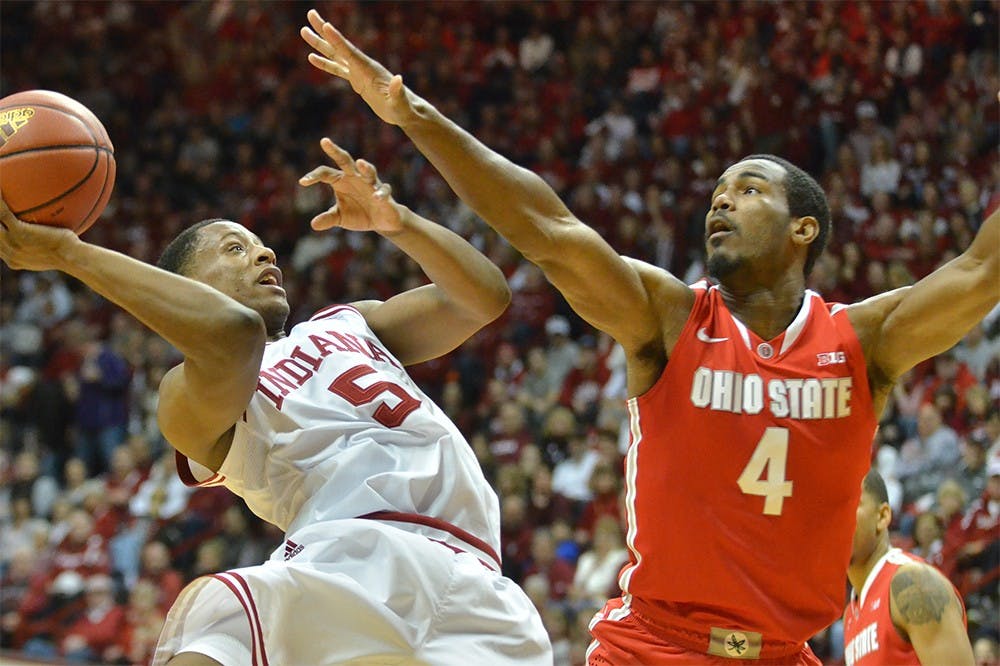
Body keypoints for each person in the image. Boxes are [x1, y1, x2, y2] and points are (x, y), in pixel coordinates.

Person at [301, 14, 1000, 662]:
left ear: (804, 229)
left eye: (749, 189)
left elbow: (980, 270)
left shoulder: (862, 342)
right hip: (652, 646)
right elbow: (547, 229)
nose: (721, 200)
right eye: (718, 191)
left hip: (786, 652)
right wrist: (410, 114)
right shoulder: (671, 320)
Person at [0, 137, 551, 664]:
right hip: (344, 562)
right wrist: (68, 253)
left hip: (478, 580)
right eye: (234, 248)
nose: (263, 251)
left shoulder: (347, 321)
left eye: (259, 244)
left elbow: (482, 297)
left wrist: (397, 221)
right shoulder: (183, 393)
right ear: (187, 286)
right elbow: (232, 333)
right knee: (218, 632)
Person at [845, 469, 973, 665]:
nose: (835, 521)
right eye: (827, 511)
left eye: (848, 505)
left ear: (882, 516)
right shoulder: (851, 614)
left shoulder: (914, 583)